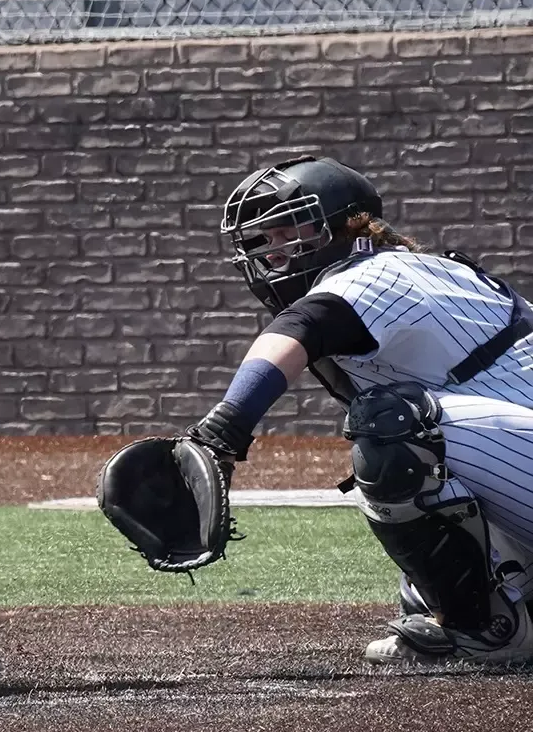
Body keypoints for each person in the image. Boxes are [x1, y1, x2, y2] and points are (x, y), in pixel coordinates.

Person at [181, 154, 533, 665]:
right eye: (266, 239)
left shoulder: (381, 270)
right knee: (429, 578)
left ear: (348, 224)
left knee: (395, 428)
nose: (275, 252)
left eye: (291, 229)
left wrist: (223, 429)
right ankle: (487, 614)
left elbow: (299, 331)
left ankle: (491, 633)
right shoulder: (398, 273)